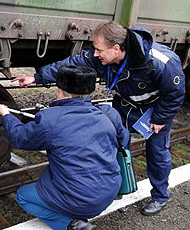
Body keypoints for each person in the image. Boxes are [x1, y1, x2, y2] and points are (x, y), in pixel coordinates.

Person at [12, 21, 185, 216]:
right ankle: (118, 184)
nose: (95, 54)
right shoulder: (103, 57)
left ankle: (160, 196)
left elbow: (175, 93)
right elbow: (72, 64)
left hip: (154, 110)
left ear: (116, 49)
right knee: (115, 143)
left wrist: (161, 118)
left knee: (157, 153)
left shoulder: (161, 62)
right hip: (125, 106)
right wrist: (36, 77)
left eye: (99, 50)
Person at [0, 65, 130, 230]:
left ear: (60, 91)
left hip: (81, 201)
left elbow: (20, 138)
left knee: (23, 196)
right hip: (110, 190)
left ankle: (73, 224)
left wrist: (6, 115)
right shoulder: (109, 114)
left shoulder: (50, 119)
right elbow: (124, 141)